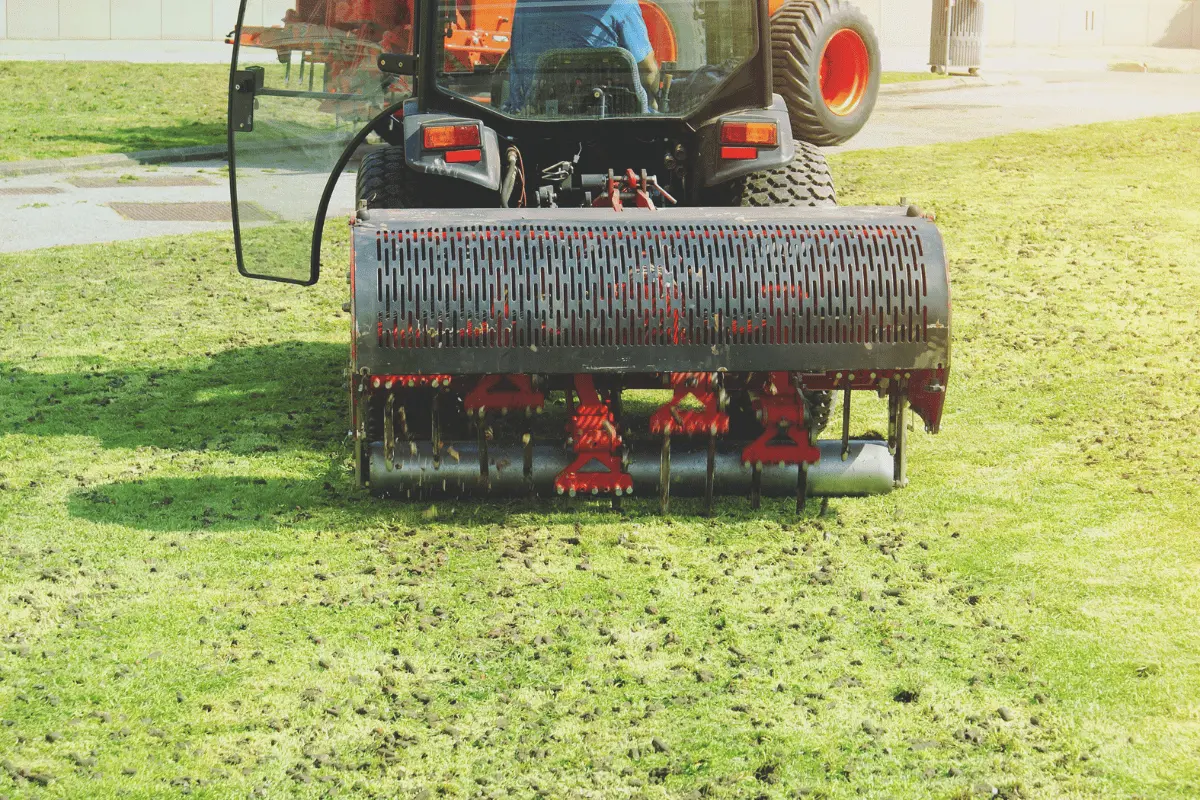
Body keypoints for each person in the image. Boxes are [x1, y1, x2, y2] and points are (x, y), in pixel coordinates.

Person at [506, 0, 660, 112]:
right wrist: (654, 101)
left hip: (531, 117)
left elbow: (519, 54)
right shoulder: (622, 5)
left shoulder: (526, 4)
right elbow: (648, 71)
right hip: (604, 122)